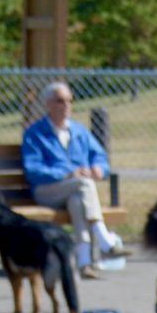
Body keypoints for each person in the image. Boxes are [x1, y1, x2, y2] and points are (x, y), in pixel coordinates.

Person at [21, 82, 123, 277]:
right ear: (48, 104)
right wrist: (67, 174)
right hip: (47, 191)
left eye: (69, 101)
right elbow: (33, 170)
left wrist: (99, 169)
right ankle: (105, 241)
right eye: (60, 101)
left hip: (76, 191)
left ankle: (84, 263)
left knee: (78, 200)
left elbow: (100, 157)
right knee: (84, 184)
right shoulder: (35, 134)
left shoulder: (79, 132)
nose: (66, 105)